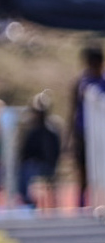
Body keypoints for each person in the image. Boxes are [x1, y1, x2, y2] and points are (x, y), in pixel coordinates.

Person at [70, 44, 105, 206]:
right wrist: (69, 137)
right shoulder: (80, 83)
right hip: (83, 132)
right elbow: (73, 110)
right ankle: (82, 205)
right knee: (83, 170)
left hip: (102, 134)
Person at [18, 92, 62, 208]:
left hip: (46, 166)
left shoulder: (52, 129)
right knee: (23, 171)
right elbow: (26, 150)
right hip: (32, 164)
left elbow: (55, 152)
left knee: (29, 170)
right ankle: (28, 203)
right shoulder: (30, 129)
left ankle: (31, 203)